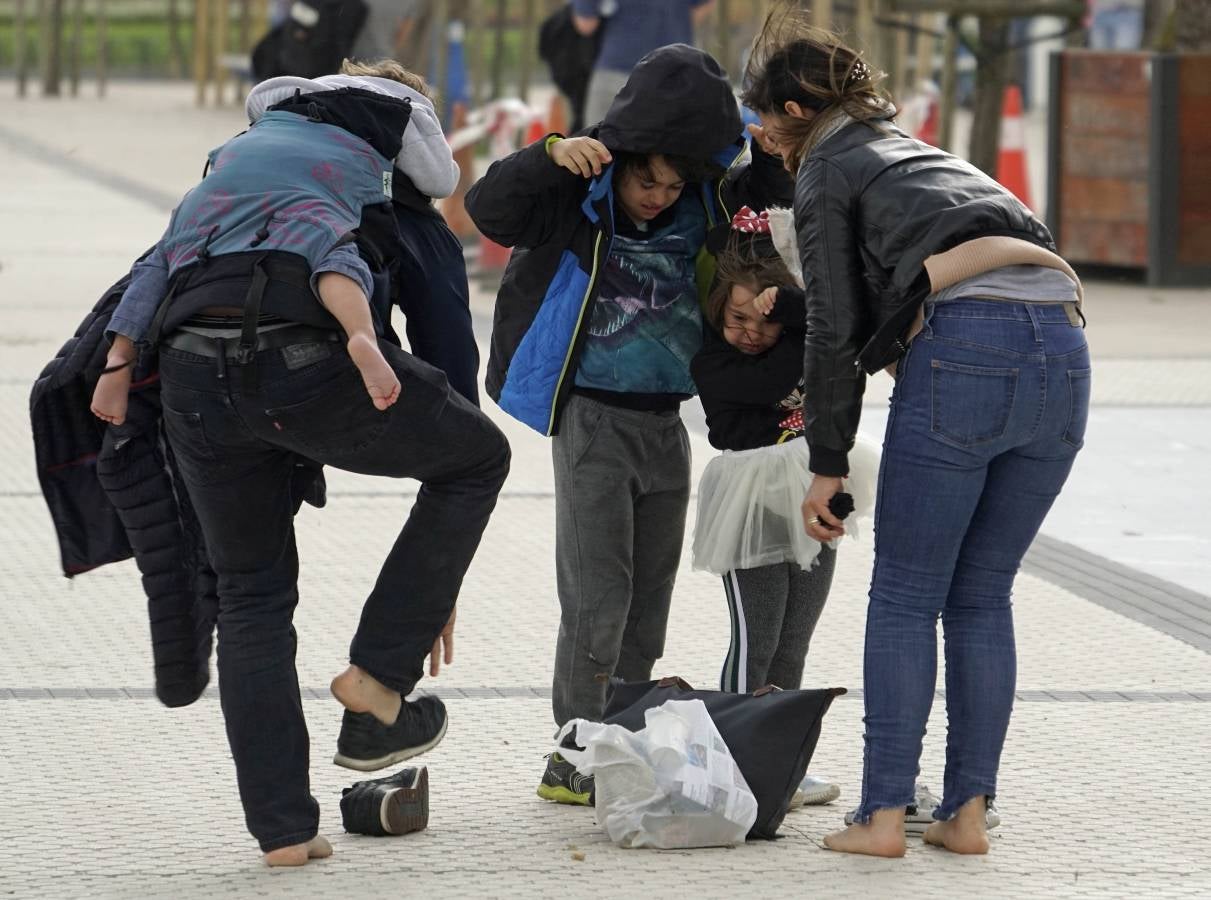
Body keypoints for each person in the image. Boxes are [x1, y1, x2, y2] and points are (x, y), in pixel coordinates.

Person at [90, 62, 512, 866]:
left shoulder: (228, 185)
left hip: (189, 373)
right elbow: (453, 378)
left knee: (250, 596)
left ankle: (282, 830)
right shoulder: (398, 208)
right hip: (305, 365)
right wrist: (431, 585)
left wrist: (116, 367)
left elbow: (149, 278)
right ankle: (379, 676)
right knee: (479, 459)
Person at [742, 8, 1090, 857]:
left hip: (968, 347)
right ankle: (966, 814)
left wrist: (825, 463)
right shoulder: (928, 155)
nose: (758, 137)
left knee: (904, 593)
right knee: (981, 594)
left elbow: (832, 324)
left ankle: (882, 815)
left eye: (760, 116)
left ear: (794, 108)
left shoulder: (828, 163)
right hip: (1066, 348)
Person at [465, 44, 744, 806]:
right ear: (617, 160)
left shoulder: (710, 204)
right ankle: (572, 751)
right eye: (644, 179)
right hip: (591, 418)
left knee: (649, 597)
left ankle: (618, 739)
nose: (657, 195)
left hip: (666, 426)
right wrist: (551, 154)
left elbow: (763, 156)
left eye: (672, 182)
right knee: (597, 598)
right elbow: (488, 209)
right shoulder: (574, 197)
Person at [90, 60, 461, 426]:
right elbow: (439, 181)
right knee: (334, 256)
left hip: (229, 179)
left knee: (164, 256)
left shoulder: (287, 101)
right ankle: (360, 334)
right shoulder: (406, 106)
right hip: (313, 195)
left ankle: (120, 355)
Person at [691, 213, 878, 807]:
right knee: (755, 640)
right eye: (736, 319)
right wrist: (799, 312)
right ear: (717, 314)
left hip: (809, 492)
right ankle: (734, 763)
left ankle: (780, 765)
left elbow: (845, 346)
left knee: (794, 641)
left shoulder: (796, 341)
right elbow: (791, 369)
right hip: (751, 504)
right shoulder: (714, 366)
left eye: (764, 321)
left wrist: (795, 311)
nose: (750, 332)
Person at [572, 0, 717, 125]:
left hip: (618, 68)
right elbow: (703, 6)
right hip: (674, 71)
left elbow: (586, 24)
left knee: (599, 147)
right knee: (671, 151)